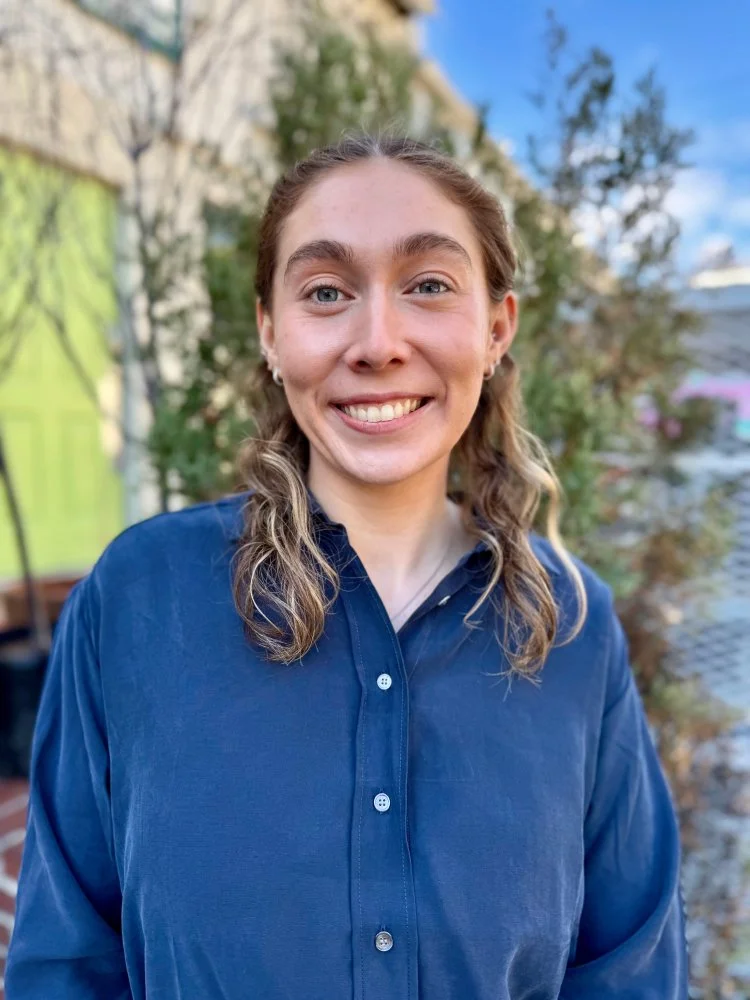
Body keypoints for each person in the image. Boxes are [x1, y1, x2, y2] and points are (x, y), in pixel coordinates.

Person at [6, 133, 688, 999]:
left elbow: (628, 970)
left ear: (495, 328)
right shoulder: (140, 598)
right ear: (270, 332)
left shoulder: (572, 627)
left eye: (429, 286)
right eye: (325, 292)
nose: (377, 342)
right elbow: (65, 964)